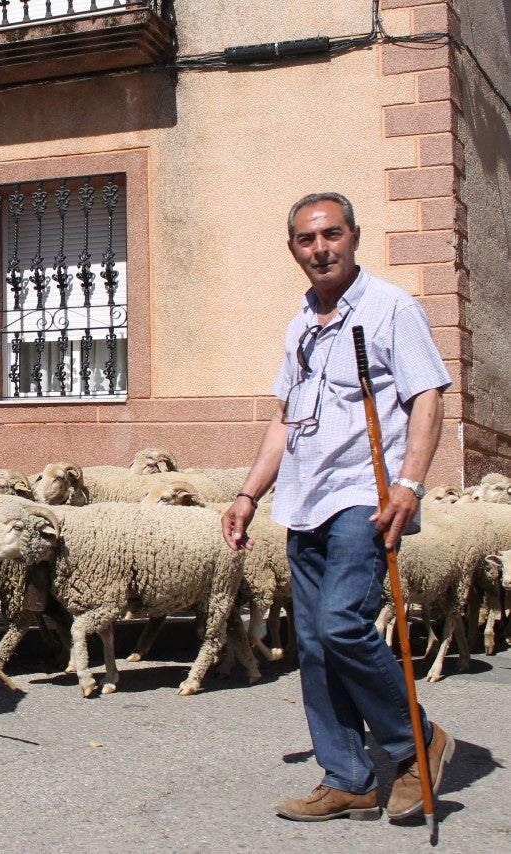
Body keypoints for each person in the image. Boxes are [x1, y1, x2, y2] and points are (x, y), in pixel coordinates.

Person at [222, 192, 456, 824]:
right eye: (306, 239)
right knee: (317, 646)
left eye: (331, 235)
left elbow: (428, 396)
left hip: (365, 494)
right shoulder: (300, 325)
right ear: (293, 248)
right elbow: (284, 422)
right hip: (306, 498)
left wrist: (410, 484)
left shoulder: (390, 309)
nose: (320, 248)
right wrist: (249, 493)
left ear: (354, 237)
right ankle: (349, 776)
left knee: (342, 625)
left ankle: (418, 742)